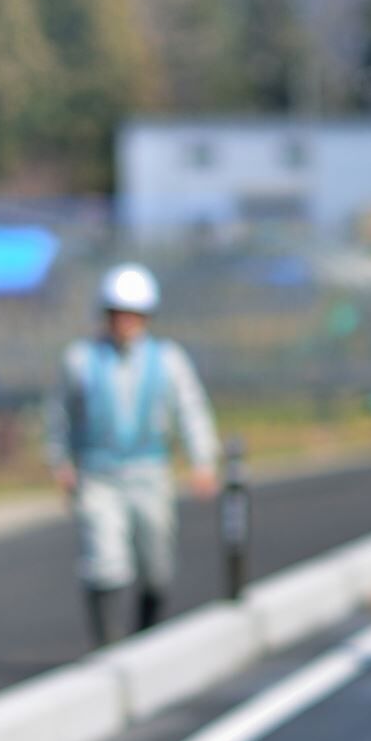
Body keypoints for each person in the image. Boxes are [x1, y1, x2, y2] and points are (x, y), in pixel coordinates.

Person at [46, 263, 219, 647]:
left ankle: (147, 637)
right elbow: (60, 415)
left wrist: (202, 460)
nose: (124, 322)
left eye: (132, 314)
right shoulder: (80, 360)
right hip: (99, 473)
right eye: (117, 313)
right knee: (105, 562)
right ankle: (108, 643)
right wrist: (61, 462)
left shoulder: (167, 359)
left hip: (150, 472)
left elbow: (191, 409)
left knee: (157, 566)